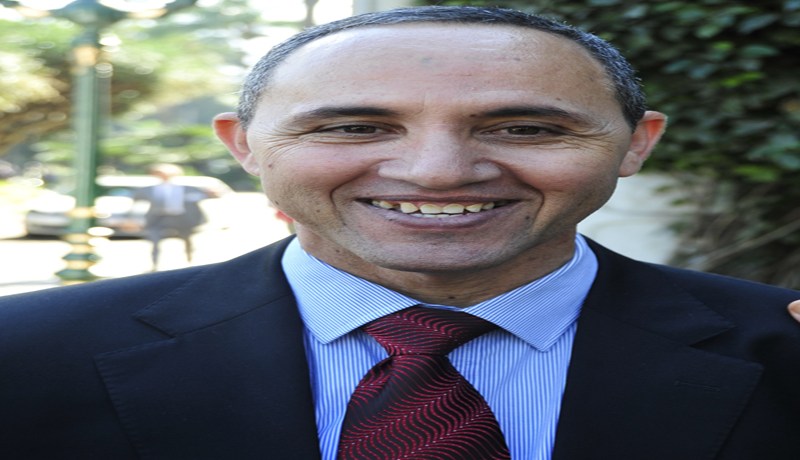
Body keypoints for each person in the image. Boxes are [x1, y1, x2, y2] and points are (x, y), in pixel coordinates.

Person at [0, 6, 798, 459]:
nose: (437, 173)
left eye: (525, 128)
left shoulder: (786, 354)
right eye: (354, 126)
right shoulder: (22, 357)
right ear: (243, 147)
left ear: (635, 145)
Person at [133, 163, 212, 268]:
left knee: (186, 239)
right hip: (157, 217)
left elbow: (201, 197)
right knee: (154, 240)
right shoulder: (148, 189)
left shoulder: (188, 188)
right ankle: (154, 264)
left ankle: (189, 260)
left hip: (181, 217)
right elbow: (138, 202)